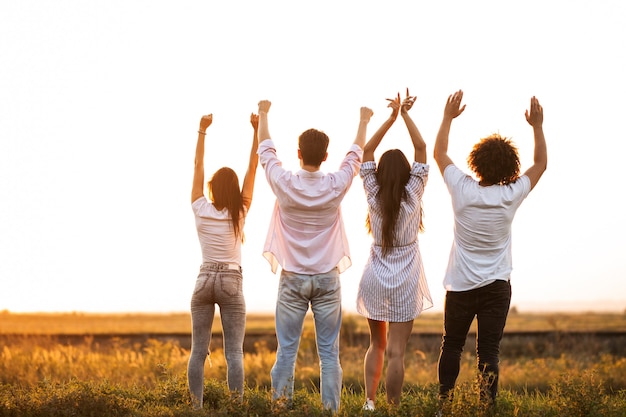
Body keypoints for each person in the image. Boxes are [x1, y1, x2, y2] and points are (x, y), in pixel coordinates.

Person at [256, 99, 374, 412]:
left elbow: (266, 152)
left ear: (298, 154)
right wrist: (364, 120)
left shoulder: (284, 183)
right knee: (329, 355)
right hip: (327, 278)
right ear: (325, 157)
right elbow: (354, 156)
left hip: (293, 277)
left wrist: (265, 113)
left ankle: (281, 409)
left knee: (286, 352)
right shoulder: (336, 184)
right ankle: (330, 412)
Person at [433, 90, 547, 408]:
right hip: (497, 287)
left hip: (460, 286)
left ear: (476, 162)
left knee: (452, 345)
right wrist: (537, 126)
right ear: (510, 166)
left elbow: (440, 152)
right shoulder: (511, 194)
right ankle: (487, 410)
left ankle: (443, 406)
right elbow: (540, 163)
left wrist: (447, 117)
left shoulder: (461, 188)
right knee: (489, 353)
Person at [356, 91, 434, 410]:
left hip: (375, 277)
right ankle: (393, 407)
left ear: (379, 174)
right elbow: (421, 148)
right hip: (406, 281)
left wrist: (389, 118)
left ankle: (370, 402)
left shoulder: (372, 194)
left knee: (377, 344)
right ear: (406, 172)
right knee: (397, 351)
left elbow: (368, 150)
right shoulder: (414, 194)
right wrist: (404, 116)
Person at [187, 112, 259, 409]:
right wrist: (256, 131)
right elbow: (253, 166)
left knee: (197, 351)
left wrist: (202, 132)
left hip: (203, 279)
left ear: (212, 189)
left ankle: (195, 408)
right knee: (234, 354)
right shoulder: (240, 211)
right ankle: (236, 408)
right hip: (231, 280)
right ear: (235, 190)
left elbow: (197, 166)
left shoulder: (200, 207)